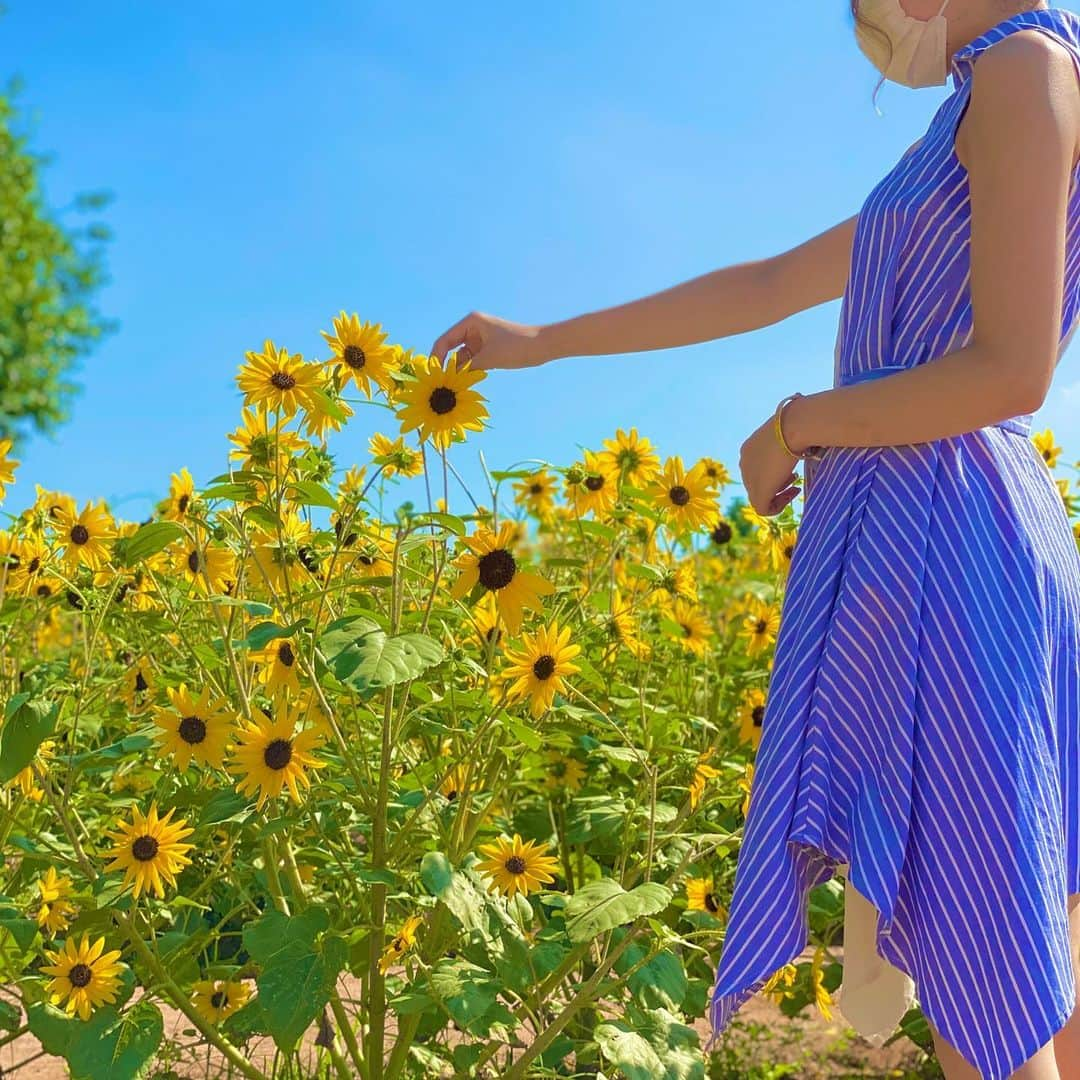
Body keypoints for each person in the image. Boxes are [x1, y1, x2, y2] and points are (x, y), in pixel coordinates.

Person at [429, 3, 1080, 1077]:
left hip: (952, 543)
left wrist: (795, 425)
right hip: (953, 536)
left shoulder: (1023, 64)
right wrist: (541, 342)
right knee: (1030, 958)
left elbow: (1012, 370)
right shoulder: (987, 92)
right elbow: (768, 284)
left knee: (990, 980)